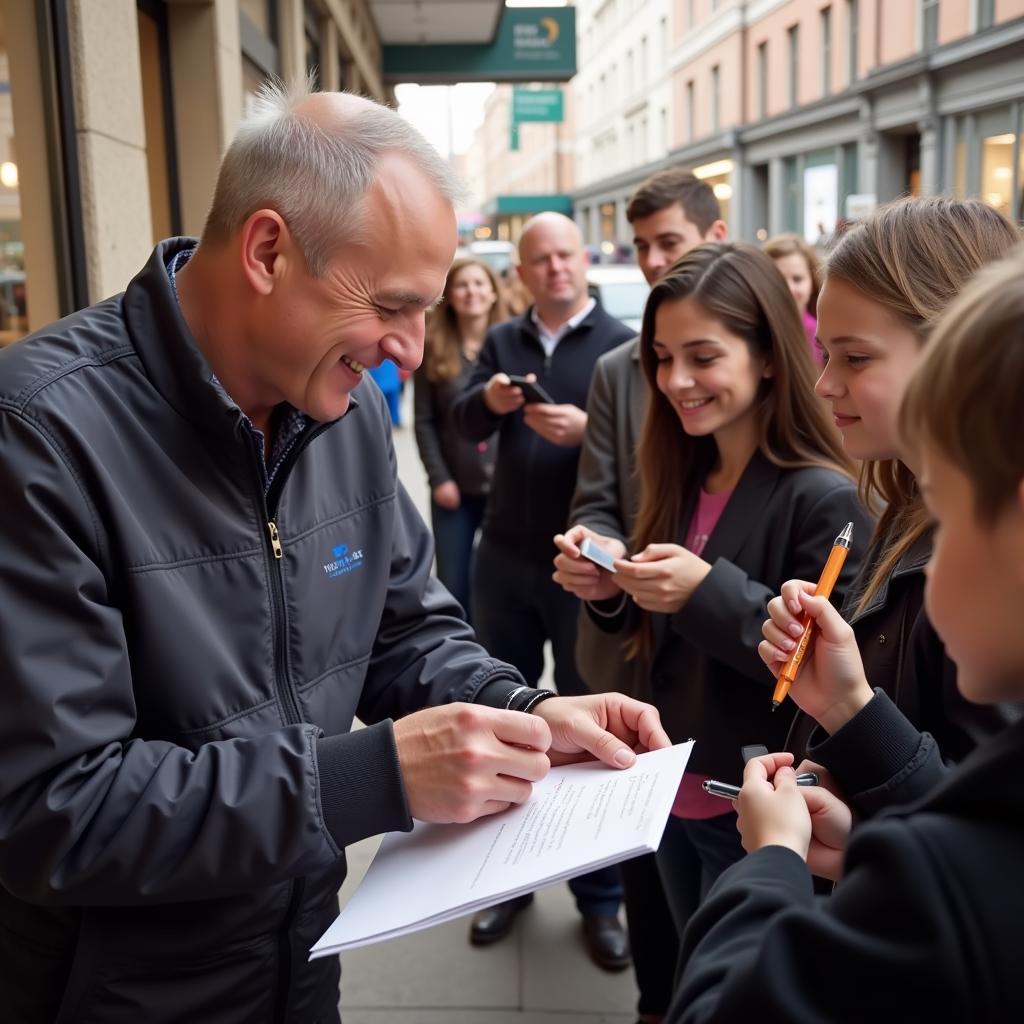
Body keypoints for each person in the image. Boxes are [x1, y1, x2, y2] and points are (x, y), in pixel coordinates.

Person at [0, 84, 672, 1023]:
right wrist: (374, 776)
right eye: (391, 306)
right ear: (268, 250)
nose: (406, 351)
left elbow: (406, 631)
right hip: (116, 993)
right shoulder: (38, 434)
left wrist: (523, 711)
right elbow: (52, 808)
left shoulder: (341, 407)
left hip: (299, 956)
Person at [666, 246, 1024, 1024]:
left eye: (946, 507)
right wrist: (856, 722)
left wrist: (771, 865)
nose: (825, 382)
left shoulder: (946, 888)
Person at [553, 243, 869, 975]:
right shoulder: (681, 466)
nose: (675, 381)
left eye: (702, 356)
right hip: (667, 789)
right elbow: (659, 627)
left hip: (751, 809)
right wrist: (608, 591)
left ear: (766, 355)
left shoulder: (822, 495)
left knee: (730, 983)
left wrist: (704, 591)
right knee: (680, 968)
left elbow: (823, 670)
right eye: (662, 358)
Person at [767, 197, 1022, 775]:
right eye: (825, 354)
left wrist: (854, 712)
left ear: (956, 352)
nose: (825, 384)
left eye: (855, 358)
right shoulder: (904, 502)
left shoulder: (994, 546)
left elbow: (989, 825)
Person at [559, 168, 726, 1024]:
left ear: (716, 238)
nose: (656, 261)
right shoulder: (619, 369)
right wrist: (600, 554)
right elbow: (599, 498)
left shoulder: (762, 388)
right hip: (634, 661)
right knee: (649, 862)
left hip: (729, 709)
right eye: (644, 246)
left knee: (720, 916)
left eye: (672, 243)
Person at [452, 212, 636, 968]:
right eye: (540, 259)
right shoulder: (503, 342)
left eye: (566, 255)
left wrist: (588, 428)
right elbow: (461, 421)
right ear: (521, 273)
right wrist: (491, 403)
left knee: (592, 732)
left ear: (583, 259)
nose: (555, 268)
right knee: (507, 721)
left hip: (583, 570)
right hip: (503, 555)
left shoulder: (623, 345)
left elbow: (646, 455)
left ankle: (601, 902)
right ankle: (511, 884)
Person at [413, 258, 507, 620]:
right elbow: (423, 421)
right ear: (449, 295)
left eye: (480, 284)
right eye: (463, 285)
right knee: (454, 581)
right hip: (455, 490)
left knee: (498, 581)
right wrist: (439, 479)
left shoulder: (510, 344)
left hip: (505, 491)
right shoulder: (434, 347)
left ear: (494, 292)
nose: (472, 292)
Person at [762, 233, 822, 364]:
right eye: (778, 279)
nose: (789, 289)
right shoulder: (750, 333)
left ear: (812, 283)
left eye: (797, 279)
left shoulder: (824, 337)